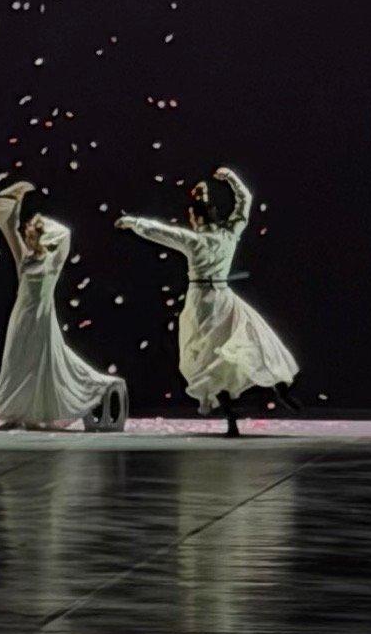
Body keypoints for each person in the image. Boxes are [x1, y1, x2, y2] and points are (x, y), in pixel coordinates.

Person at [116, 166, 298, 436]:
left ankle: (230, 414)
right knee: (252, 340)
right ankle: (279, 386)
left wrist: (132, 222)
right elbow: (245, 202)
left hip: (202, 302)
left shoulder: (194, 241)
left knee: (205, 357)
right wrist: (231, 179)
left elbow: (161, 232)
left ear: (196, 218)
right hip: (224, 298)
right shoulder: (229, 235)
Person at [0, 180, 118, 429]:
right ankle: (15, 414)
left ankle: (36, 414)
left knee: (39, 366)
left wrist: (42, 222)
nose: (28, 238)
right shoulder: (25, 259)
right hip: (21, 317)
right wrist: (18, 202)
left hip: (42, 318)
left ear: (39, 236)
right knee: (16, 363)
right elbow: (11, 231)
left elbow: (65, 234)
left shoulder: (52, 261)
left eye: (31, 235)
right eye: (28, 235)